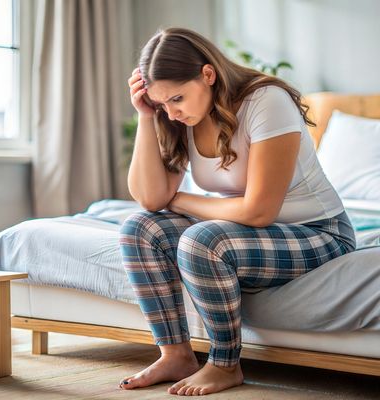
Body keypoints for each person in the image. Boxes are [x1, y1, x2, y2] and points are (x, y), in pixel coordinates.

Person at [118, 27, 356, 396]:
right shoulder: (180, 116)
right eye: (163, 103)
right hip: (249, 236)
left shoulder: (266, 101)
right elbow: (150, 200)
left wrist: (178, 200)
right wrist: (148, 117)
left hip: (319, 232)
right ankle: (176, 354)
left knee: (202, 240)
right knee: (139, 228)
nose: (173, 111)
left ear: (208, 75)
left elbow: (259, 211)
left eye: (177, 98)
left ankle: (225, 364)